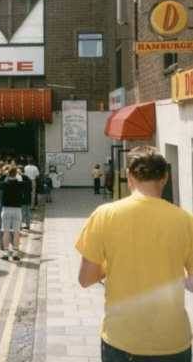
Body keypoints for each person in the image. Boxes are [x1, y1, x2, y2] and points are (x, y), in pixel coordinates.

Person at [76, 146, 193, 362]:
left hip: (122, 339)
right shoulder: (185, 220)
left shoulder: (104, 215)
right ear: (165, 177)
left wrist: (113, 265)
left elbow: (85, 279)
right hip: (173, 341)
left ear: (129, 176)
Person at [0, 166, 24, 261]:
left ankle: (6, 253)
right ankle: (15, 253)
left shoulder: (4, 184)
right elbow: (29, 183)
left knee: (6, 231)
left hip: (6, 209)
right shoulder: (20, 184)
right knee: (16, 232)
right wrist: (20, 174)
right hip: (17, 209)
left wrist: (4, 175)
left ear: (8, 174)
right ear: (16, 174)